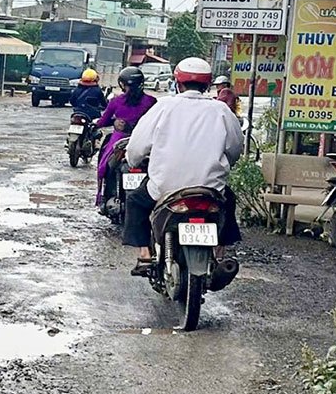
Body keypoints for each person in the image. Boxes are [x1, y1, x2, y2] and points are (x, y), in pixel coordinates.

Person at [123, 56, 244, 274]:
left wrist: (134, 161)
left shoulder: (163, 107)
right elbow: (235, 148)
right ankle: (219, 251)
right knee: (229, 203)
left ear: (178, 83)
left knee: (135, 202)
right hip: (210, 189)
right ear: (207, 85)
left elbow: (137, 146)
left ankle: (144, 254)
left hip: (165, 187)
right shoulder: (222, 111)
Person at [94, 66, 156, 207]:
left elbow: (103, 121)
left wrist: (107, 123)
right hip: (146, 141)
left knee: (106, 167)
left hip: (120, 141)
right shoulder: (151, 101)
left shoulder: (116, 101)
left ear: (122, 84)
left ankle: (105, 197)